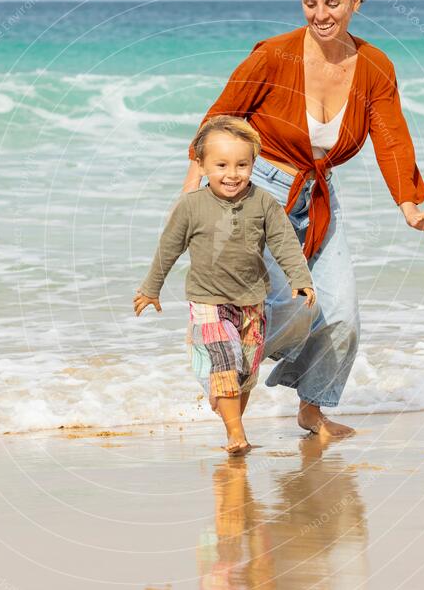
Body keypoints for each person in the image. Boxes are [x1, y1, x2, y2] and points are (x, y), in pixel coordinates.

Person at [183, 0, 424, 440]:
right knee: (285, 308)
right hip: (256, 193)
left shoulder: (374, 65)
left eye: (332, 3)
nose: (320, 14)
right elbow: (219, 120)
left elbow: (390, 135)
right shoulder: (273, 55)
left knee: (341, 314)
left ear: (356, 1)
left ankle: (312, 409)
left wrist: (410, 206)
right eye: (309, 3)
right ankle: (229, 385)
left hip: (318, 196)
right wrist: (196, 190)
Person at [134, 116, 315, 456]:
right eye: (221, 165)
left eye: (242, 165)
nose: (232, 174)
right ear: (201, 165)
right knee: (224, 363)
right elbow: (168, 248)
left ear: (253, 164)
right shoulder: (191, 206)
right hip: (207, 301)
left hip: (252, 302)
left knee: (246, 371)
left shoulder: (263, 203)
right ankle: (236, 434)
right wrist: (150, 288)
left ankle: (230, 411)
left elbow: (284, 242)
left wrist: (300, 279)